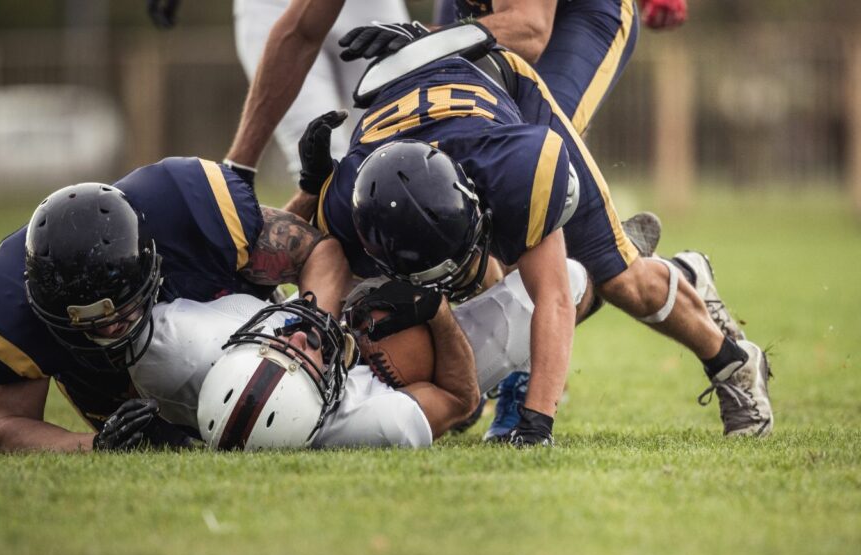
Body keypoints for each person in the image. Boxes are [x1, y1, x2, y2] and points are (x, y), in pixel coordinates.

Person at [292, 24, 772, 445]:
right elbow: (296, 253)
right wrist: (311, 188)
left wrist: (537, 423)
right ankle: (676, 277)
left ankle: (731, 361)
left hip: (507, 94)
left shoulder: (515, 170)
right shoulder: (348, 201)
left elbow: (554, 298)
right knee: (427, 296)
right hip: (416, 112)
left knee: (619, 280)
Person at [0, 158, 351, 453]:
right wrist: (97, 445)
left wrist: (314, 331)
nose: (111, 330)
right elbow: (5, 426)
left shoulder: (180, 211)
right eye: (89, 324)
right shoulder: (7, 309)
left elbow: (318, 252)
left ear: (151, 260)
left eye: (123, 311)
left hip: (247, 329)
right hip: (130, 400)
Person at [130, 260, 596, 449]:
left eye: (276, 345)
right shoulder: (367, 421)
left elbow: (321, 250)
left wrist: (315, 190)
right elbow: (458, 400)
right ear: (321, 406)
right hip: (416, 362)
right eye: (305, 359)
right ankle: (613, 275)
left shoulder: (177, 349)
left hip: (341, 287)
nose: (298, 338)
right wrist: (435, 313)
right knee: (565, 278)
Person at [224, 0, 639, 181]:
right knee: (421, 164)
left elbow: (529, 28)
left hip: (575, 14)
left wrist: (420, 36)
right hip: (484, 13)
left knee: (520, 169)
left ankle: (635, 276)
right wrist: (238, 170)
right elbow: (300, 33)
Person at [231, 0, 410, 179]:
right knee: (321, 161)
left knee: (405, 151)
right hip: (277, 6)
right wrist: (239, 166)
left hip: (373, 6)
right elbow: (300, 36)